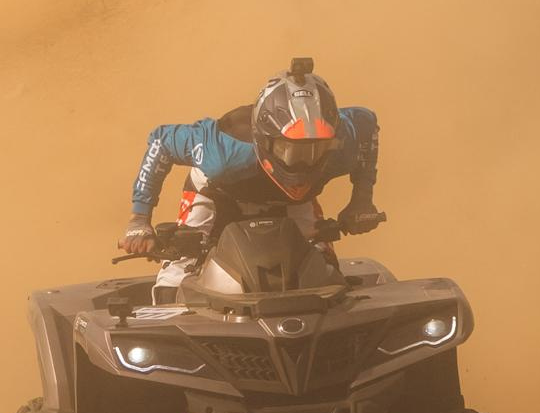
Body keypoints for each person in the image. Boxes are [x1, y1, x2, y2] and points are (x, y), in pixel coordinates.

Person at [120, 59, 380, 300]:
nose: (305, 162)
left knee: (327, 279)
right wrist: (139, 219)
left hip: (296, 200)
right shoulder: (223, 152)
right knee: (173, 287)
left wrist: (362, 200)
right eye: (291, 150)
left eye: (318, 149)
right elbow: (161, 141)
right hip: (216, 193)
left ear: (333, 137)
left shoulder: (346, 138)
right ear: (264, 139)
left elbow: (368, 124)